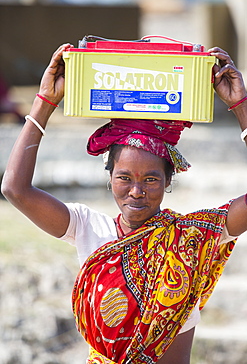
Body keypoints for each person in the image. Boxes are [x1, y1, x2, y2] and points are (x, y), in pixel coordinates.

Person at [1, 43, 247, 364]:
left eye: (151, 179)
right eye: (124, 177)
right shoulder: (89, 228)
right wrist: (45, 102)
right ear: (109, 177)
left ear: (168, 181)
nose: (136, 191)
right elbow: (15, 189)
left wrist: (241, 105)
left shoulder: (190, 237)